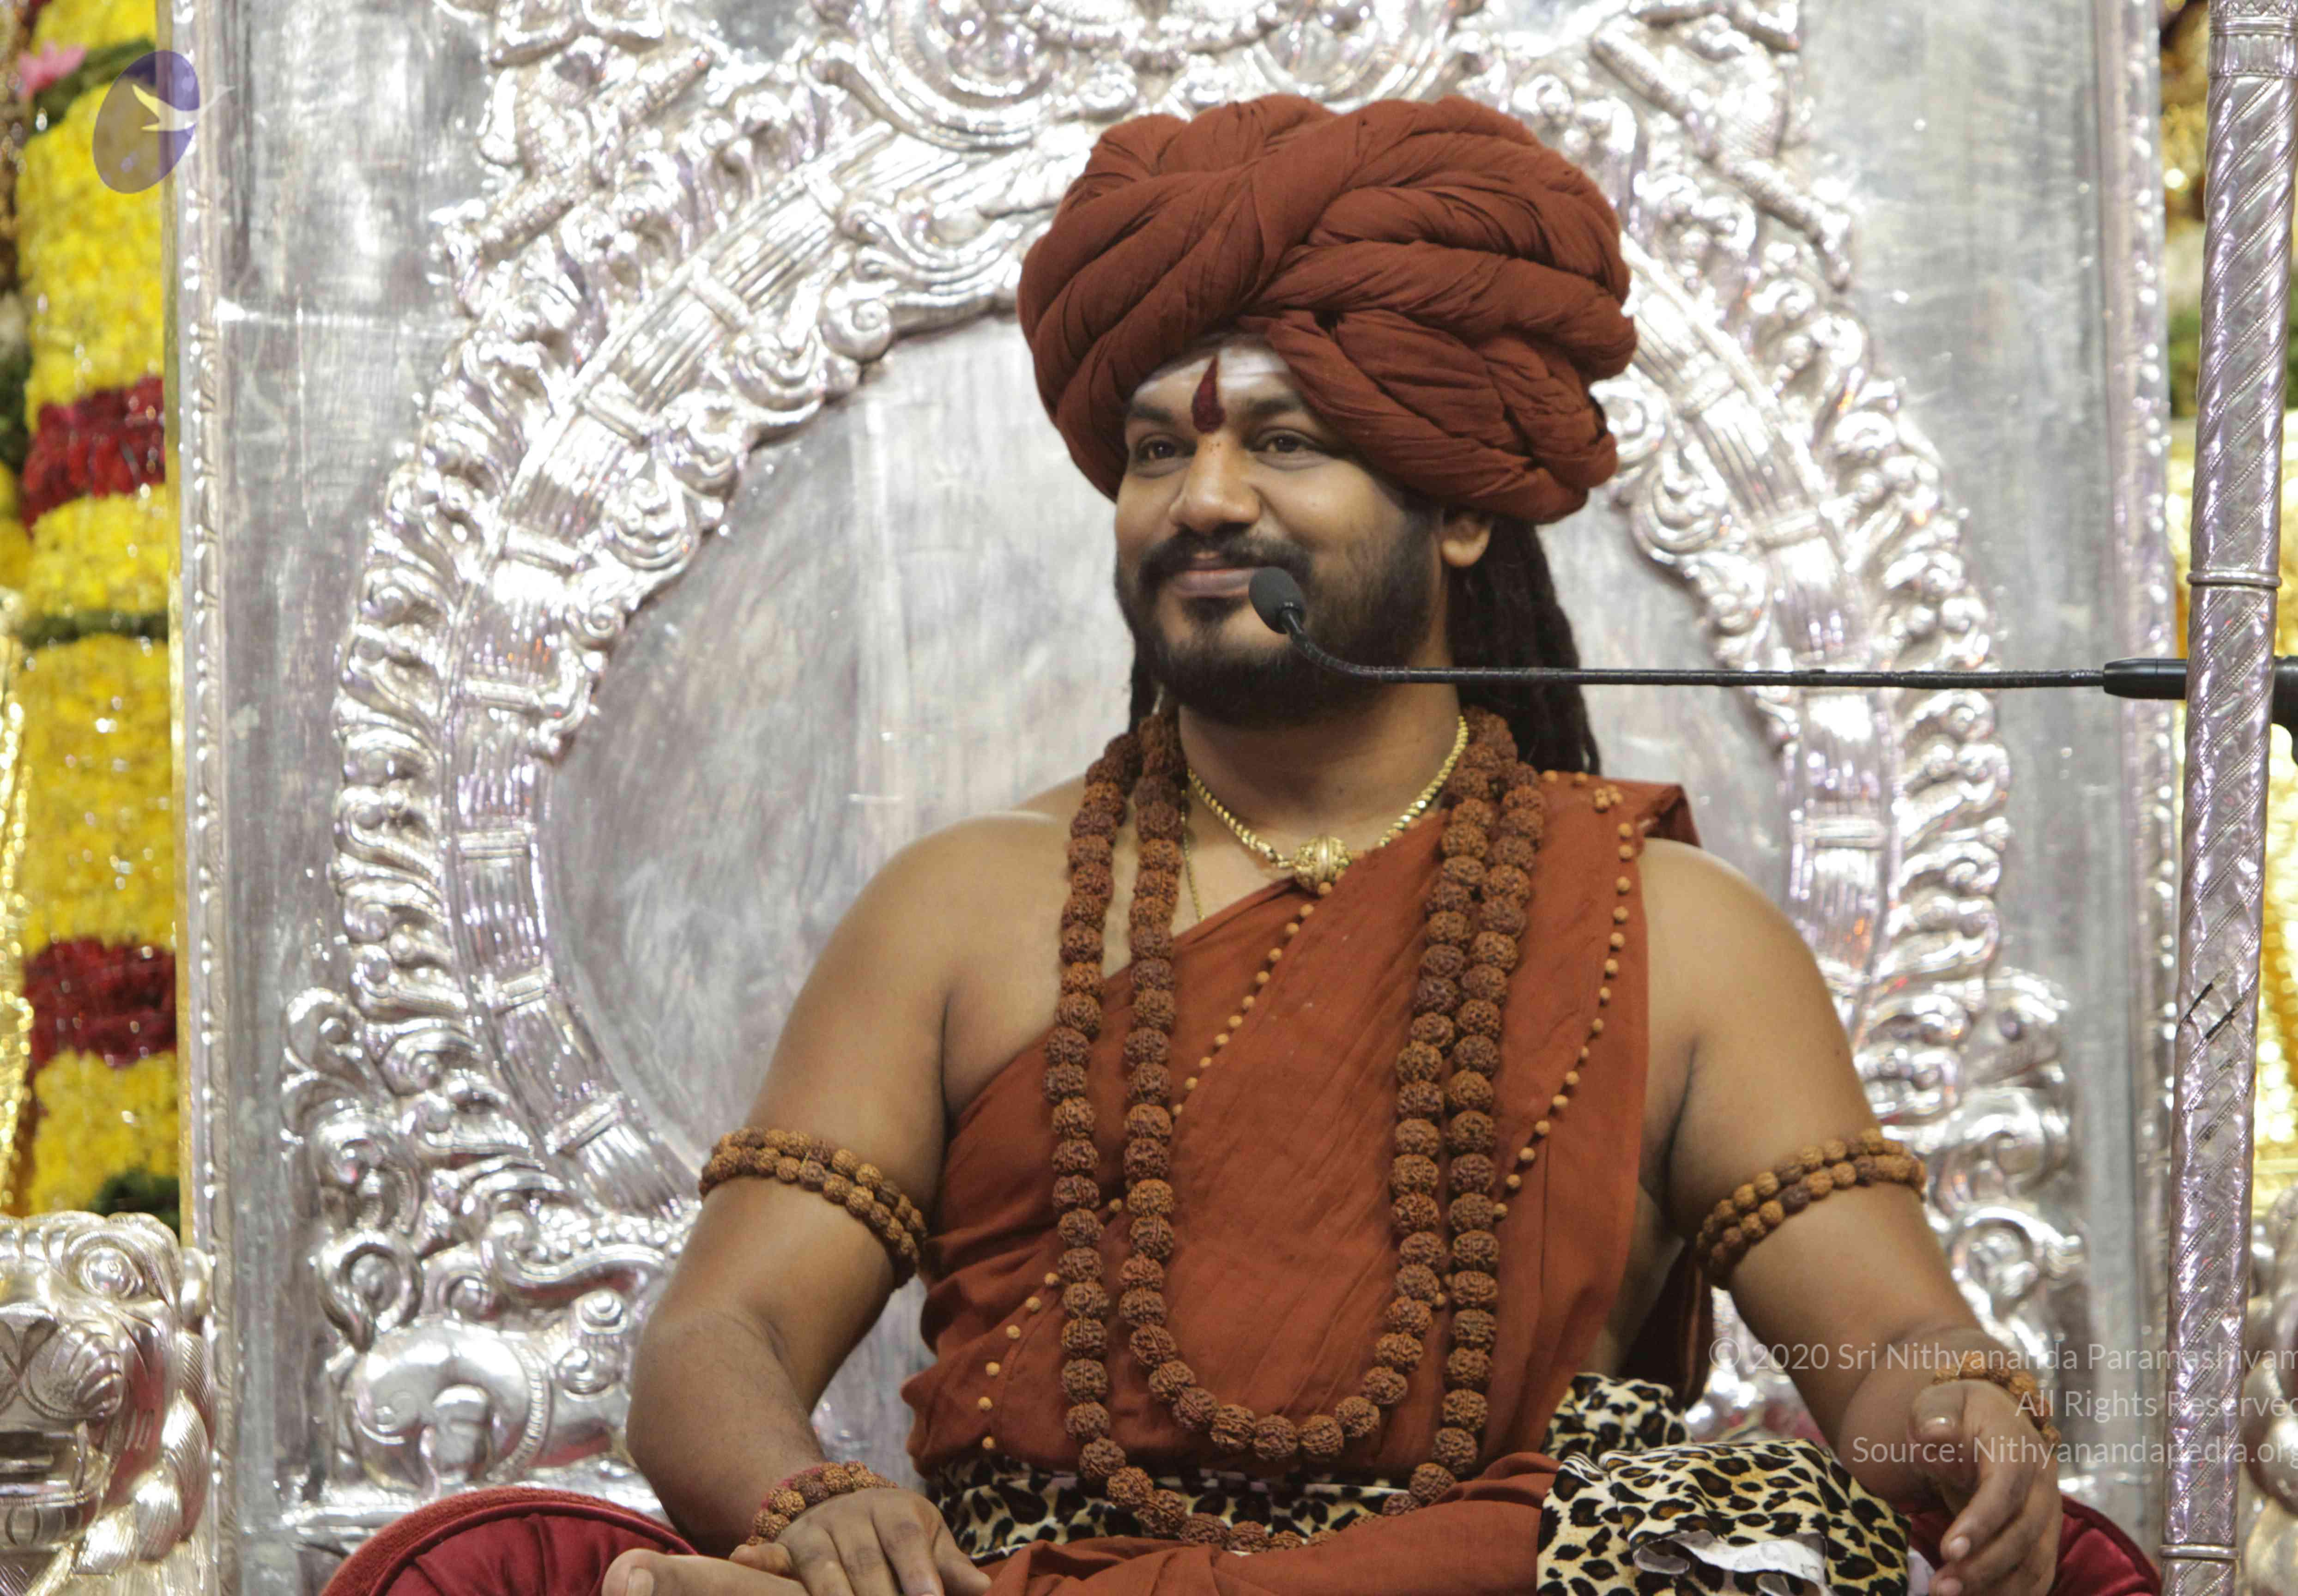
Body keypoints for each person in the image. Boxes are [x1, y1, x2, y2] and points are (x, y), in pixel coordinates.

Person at [327, 95, 2159, 1596]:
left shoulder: (1668, 933)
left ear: (1456, 511)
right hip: (1042, 1575)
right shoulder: (966, 910)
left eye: (1285, 444)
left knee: (1750, 1540)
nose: (1201, 499)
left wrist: (1956, 1412)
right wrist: (810, 1504)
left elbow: (1876, 1349)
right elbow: (713, 1346)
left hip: (1497, 1585)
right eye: (1152, 454)